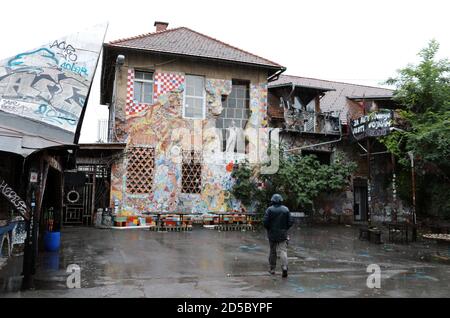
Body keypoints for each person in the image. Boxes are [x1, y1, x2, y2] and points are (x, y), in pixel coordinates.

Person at [263, 194, 294, 278]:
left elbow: (265, 222)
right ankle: (284, 267)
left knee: (273, 251)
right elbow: (290, 222)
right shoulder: (286, 209)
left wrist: (269, 229)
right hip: (283, 234)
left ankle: (272, 269)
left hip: (272, 234)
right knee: (283, 251)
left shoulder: (269, 210)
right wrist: (285, 228)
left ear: (272, 201)